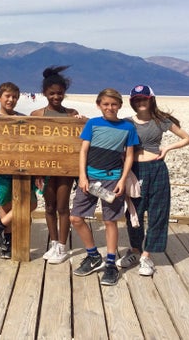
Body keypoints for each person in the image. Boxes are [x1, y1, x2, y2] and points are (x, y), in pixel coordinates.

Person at [117, 85, 189, 276]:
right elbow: (106, 127)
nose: (140, 102)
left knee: (158, 212)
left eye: (144, 98)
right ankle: (135, 250)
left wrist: (167, 148)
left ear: (151, 99)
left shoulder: (161, 121)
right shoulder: (127, 122)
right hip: (134, 171)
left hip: (156, 169)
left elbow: (187, 138)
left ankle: (146, 256)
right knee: (134, 212)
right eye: (136, 99)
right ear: (132, 102)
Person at [70, 88, 139, 286]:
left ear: (120, 105)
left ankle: (110, 264)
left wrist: (122, 180)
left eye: (114, 104)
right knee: (76, 218)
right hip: (90, 179)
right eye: (106, 104)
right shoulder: (92, 123)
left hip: (113, 179)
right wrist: (82, 176)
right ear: (99, 105)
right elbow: (84, 151)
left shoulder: (128, 128)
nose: (110, 108)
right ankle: (93, 256)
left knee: (110, 221)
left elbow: (129, 156)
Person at [30, 66, 84, 264]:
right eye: (52, 93)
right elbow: (32, 144)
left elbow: (81, 136)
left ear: (64, 93)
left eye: (59, 93)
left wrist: (80, 121)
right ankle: (53, 243)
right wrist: (36, 172)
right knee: (49, 206)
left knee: (62, 206)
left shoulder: (71, 114)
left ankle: (62, 246)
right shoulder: (36, 114)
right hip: (44, 168)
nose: (56, 97)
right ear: (44, 93)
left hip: (65, 169)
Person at [0, 82, 42, 259]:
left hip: (23, 168)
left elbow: (32, 143)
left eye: (14, 97)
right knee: (6, 204)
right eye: (7, 96)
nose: (11, 100)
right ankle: (6, 243)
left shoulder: (23, 118)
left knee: (30, 203)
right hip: (1, 169)